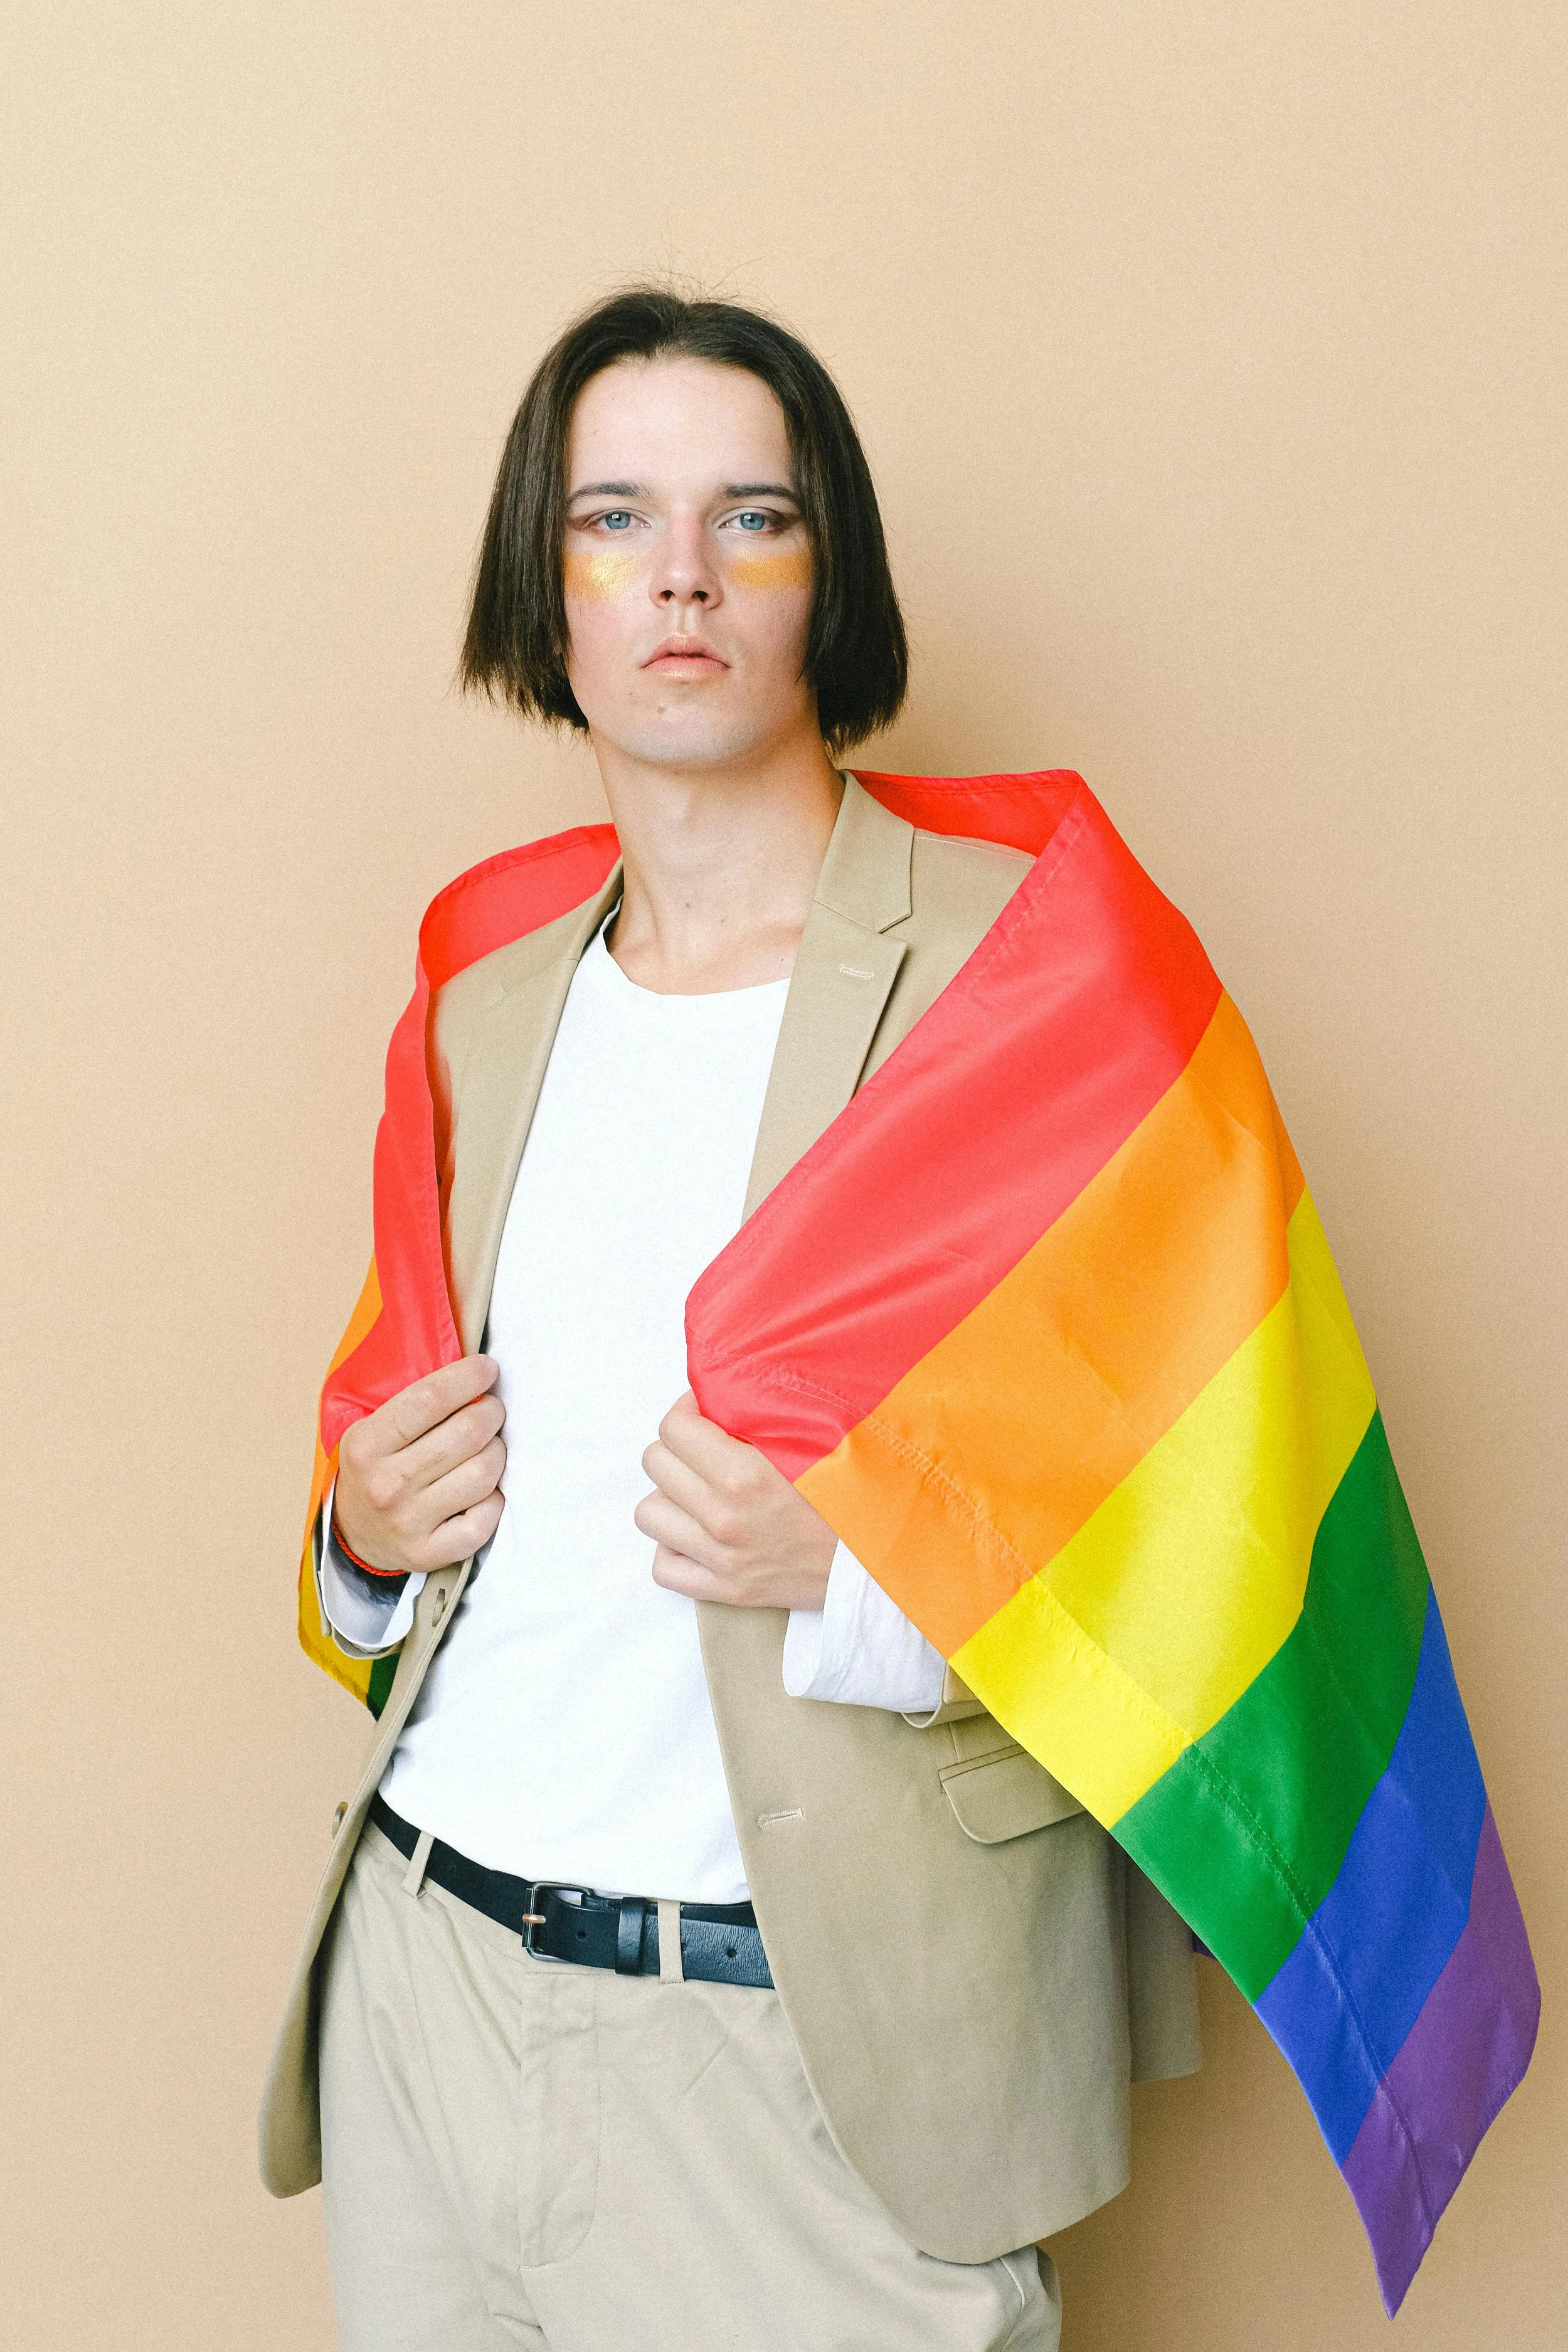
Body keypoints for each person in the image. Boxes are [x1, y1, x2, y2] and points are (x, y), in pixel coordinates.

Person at [259, 288, 1200, 2351]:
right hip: (428, 2004)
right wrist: (357, 1538)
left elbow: (1203, 1530)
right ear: (551, 584)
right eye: (613, 516)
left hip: (803, 2068)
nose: (678, 571)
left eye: (747, 515)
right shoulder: (485, 1002)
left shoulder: (1028, 981)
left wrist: (862, 1579)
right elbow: (375, 1536)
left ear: (825, 575)